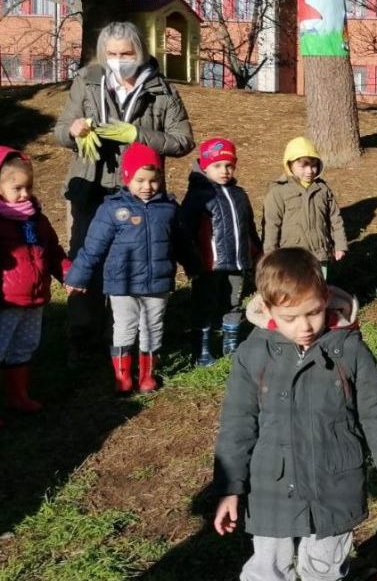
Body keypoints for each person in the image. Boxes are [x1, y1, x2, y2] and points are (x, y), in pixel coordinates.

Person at [212, 248, 377, 581]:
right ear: (268, 308)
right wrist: (230, 488)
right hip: (272, 485)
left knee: (326, 568)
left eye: (314, 313)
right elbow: (237, 422)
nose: (304, 326)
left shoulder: (349, 348)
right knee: (269, 568)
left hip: (335, 482)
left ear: (326, 297)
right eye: (290, 318)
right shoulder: (253, 354)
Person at [53, 21, 194, 366]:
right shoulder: (87, 81)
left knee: (135, 261)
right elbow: (60, 131)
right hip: (91, 187)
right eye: (112, 54)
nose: (118, 60)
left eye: (126, 53)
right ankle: (82, 339)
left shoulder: (161, 90)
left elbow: (183, 140)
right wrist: (74, 131)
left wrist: (138, 134)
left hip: (139, 192)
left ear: (140, 52)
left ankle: (129, 343)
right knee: (87, 259)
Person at [63, 144, 196, 394]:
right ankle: (122, 376)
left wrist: (193, 265)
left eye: (154, 180)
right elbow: (93, 246)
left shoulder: (168, 208)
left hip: (157, 283)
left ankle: (147, 375)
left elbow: (182, 242)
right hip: (121, 283)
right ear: (127, 178)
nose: (147, 187)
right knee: (124, 327)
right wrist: (79, 276)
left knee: (152, 327)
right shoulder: (112, 209)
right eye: (140, 180)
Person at [0, 147, 70, 426]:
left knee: (23, 346)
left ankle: (18, 395)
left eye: (28, 187)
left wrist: (67, 273)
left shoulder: (35, 218)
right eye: (16, 188)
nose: (25, 194)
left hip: (35, 298)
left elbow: (52, 250)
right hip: (6, 301)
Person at [181, 137, 260, 366]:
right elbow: (185, 231)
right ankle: (201, 350)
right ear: (204, 167)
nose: (224, 171)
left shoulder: (239, 194)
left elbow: (249, 227)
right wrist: (191, 262)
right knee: (204, 304)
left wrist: (256, 252)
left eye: (229, 165)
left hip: (238, 262)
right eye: (217, 166)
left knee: (234, 302)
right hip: (208, 264)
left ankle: (231, 345)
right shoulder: (198, 196)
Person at [261, 136, 347, 277]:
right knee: (295, 291)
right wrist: (270, 254)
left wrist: (340, 245)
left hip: (319, 254)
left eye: (313, 165)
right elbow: (271, 224)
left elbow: (335, 219)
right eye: (303, 165)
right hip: (291, 257)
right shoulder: (278, 191)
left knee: (318, 291)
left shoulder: (323, 189)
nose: (310, 171)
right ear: (289, 165)